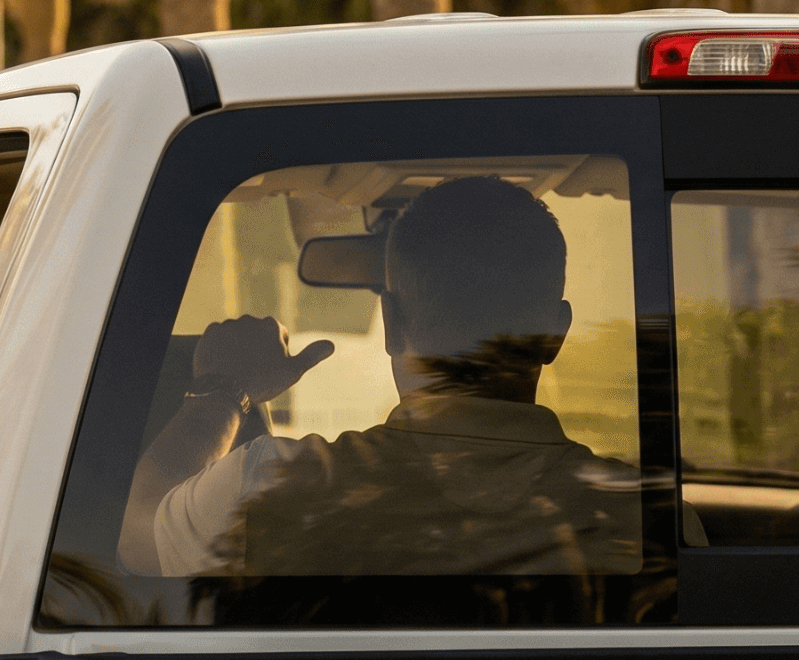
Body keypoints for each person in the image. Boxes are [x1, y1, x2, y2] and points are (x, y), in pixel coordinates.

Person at [119, 175, 642, 580]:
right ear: (556, 333)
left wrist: (224, 389)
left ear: (390, 323)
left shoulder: (270, 490)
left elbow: (136, 531)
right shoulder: (648, 523)